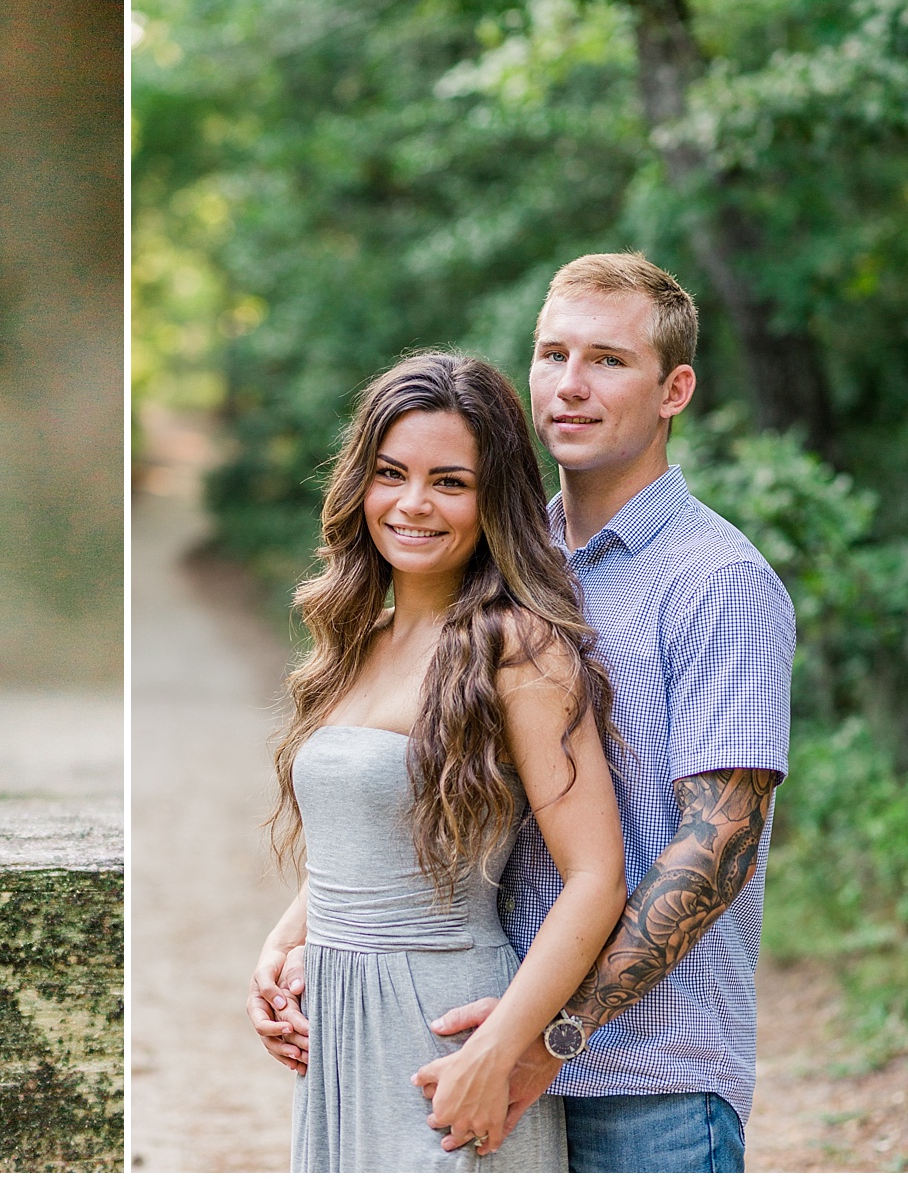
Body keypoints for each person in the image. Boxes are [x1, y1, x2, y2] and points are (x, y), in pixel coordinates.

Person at [251, 253, 796, 1173]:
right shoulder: (504, 564)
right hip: (478, 1033)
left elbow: (718, 851)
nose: (572, 385)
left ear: (676, 389)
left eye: (609, 360)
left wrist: (546, 1039)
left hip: (643, 1077)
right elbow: (418, 789)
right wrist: (305, 938)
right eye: (553, 354)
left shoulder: (718, 582)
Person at [258, 351, 630, 1171]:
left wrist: (500, 1048)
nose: (413, 504)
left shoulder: (520, 648)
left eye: (450, 482)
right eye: (391, 474)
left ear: (493, 497)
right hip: (339, 1038)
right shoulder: (359, 641)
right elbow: (367, 836)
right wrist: (283, 946)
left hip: (445, 1027)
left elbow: (597, 873)